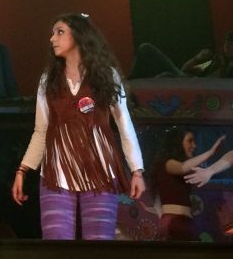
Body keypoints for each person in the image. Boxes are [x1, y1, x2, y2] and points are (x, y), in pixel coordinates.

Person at [11, 13, 145, 240]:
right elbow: (41, 131)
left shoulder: (106, 75)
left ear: (79, 36)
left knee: (99, 246)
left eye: (60, 32)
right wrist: (22, 170)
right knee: (57, 246)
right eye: (52, 33)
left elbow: (124, 125)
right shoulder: (48, 79)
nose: (52, 38)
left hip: (100, 173)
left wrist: (137, 170)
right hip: (57, 175)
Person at [152, 129, 225, 240]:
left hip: (182, 222)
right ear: (177, 143)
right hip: (174, 223)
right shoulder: (166, 163)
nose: (194, 146)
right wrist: (211, 152)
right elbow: (183, 167)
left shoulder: (175, 167)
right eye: (190, 141)